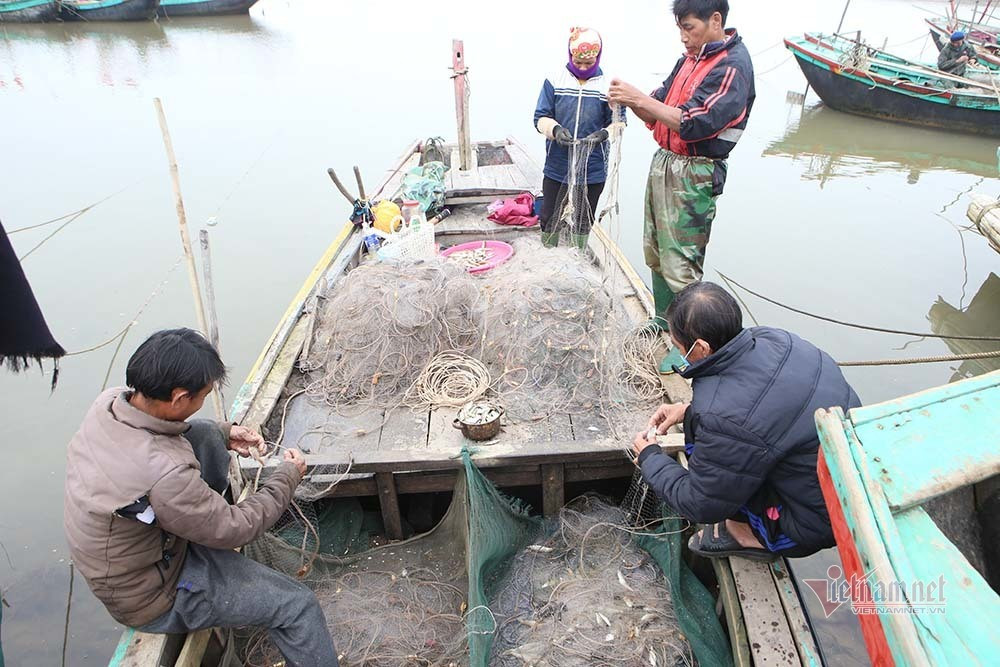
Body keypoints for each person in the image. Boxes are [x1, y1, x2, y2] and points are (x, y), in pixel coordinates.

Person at [63, 328, 338, 667]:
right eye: (203, 394)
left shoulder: (110, 403)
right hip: (154, 594)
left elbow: (180, 442)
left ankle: (203, 514)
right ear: (179, 398)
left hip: (136, 553)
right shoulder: (165, 473)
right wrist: (287, 476)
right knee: (297, 606)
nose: (204, 399)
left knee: (205, 432)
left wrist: (224, 433)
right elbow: (238, 527)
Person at [631, 283, 861, 560]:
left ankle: (749, 535)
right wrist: (686, 410)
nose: (679, 353)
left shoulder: (721, 416)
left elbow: (700, 504)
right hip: (852, 480)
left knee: (713, 467)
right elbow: (765, 408)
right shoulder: (776, 339)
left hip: (818, 522)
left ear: (702, 348)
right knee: (704, 425)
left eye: (679, 347)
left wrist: (650, 457)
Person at [608, 0, 754, 372]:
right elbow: (659, 105)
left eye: (689, 27)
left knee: (683, 263)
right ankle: (663, 318)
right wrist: (630, 99)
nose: (684, 37)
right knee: (656, 248)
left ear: (715, 20)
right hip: (666, 163)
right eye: (680, 29)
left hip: (695, 172)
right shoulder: (690, 60)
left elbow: (694, 123)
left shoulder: (732, 66)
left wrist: (638, 98)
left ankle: (690, 345)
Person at [533, 26, 621, 250]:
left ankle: (578, 254)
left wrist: (604, 134)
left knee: (584, 217)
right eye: (578, 62)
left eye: (588, 64)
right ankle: (548, 251)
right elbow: (540, 117)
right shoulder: (554, 80)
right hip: (558, 162)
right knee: (549, 214)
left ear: (597, 58)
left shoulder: (609, 86)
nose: (582, 68)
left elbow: (619, 123)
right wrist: (555, 130)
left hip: (592, 166)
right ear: (570, 55)